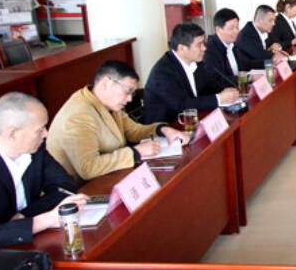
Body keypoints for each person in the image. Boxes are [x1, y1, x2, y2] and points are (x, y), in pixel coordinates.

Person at [0, 92, 87, 248]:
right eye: (40, 129)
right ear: (12, 134)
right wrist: (47, 219)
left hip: (21, 243)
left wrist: (24, 216)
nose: (46, 134)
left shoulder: (33, 148)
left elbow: (64, 186)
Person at [47, 61, 191, 181]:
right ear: (106, 83)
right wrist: (135, 153)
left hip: (109, 176)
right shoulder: (79, 115)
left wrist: (163, 129)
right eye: (127, 91)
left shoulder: (106, 102)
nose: (130, 99)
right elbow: (88, 167)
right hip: (80, 190)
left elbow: (133, 131)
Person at [143, 23, 240, 125]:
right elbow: (182, 105)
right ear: (182, 48)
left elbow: (210, 85)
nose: (204, 48)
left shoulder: (197, 63)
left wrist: (228, 90)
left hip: (193, 120)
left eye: (204, 43)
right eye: (199, 44)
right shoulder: (163, 73)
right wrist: (219, 98)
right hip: (169, 126)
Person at [236, 5, 286, 71]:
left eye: (274, 20)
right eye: (270, 20)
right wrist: (274, 53)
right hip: (251, 73)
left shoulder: (266, 29)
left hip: (265, 68)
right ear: (259, 20)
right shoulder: (246, 35)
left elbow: (277, 41)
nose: (273, 24)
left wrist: (277, 47)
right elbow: (261, 56)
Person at [204, 8, 243, 90]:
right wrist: (247, 78)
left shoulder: (234, 45)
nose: (236, 31)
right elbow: (217, 80)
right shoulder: (210, 51)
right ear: (218, 29)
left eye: (237, 27)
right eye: (231, 28)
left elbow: (245, 64)